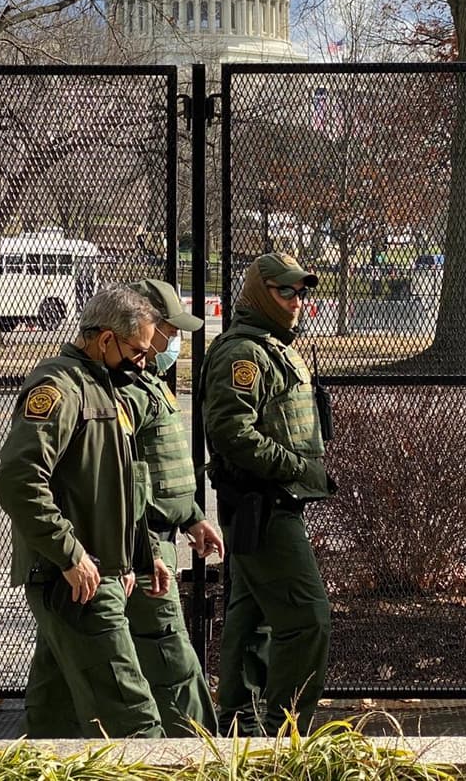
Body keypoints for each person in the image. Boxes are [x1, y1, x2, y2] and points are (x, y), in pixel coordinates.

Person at [0, 284, 170, 739]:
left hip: (95, 573)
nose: (144, 361)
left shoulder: (102, 384)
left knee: (57, 719)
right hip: (75, 578)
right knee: (133, 718)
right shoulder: (60, 387)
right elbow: (18, 479)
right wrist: (71, 555)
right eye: (136, 349)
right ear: (104, 339)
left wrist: (137, 557)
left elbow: (118, 485)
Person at [202, 252, 335, 736]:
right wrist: (296, 468)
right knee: (308, 620)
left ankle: (239, 726)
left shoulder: (269, 346)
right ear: (260, 294)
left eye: (301, 293)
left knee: (251, 614)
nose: (297, 301)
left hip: (270, 503)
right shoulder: (244, 353)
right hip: (263, 503)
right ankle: (285, 731)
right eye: (286, 292)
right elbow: (231, 430)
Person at [121, 278, 223, 735]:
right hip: (142, 546)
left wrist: (193, 517)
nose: (175, 342)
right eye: (169, 331)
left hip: (158, 538)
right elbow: (116, 484)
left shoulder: (148, 382)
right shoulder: (122, 391)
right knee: (170, 654)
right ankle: (198, 750)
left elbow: (163, 469)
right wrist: (143, 549)